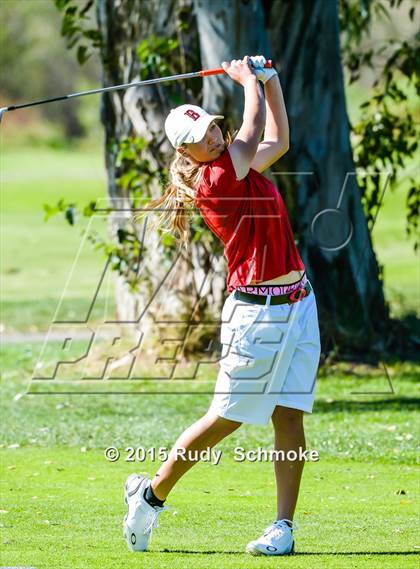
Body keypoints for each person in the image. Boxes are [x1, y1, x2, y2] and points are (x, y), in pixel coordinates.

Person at [123, 55, 321, 556]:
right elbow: (252, 134)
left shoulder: (237, 165)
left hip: (299, 304)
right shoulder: (213, 181)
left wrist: (270, 82)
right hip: (257, 313)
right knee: (227, 417)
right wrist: (247, 83)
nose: (213, 137)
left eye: (214, 128)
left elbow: (278, 140)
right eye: (202, 137)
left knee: (290, 416)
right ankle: (151, 495)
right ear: (186, 151)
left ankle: (283, 527)